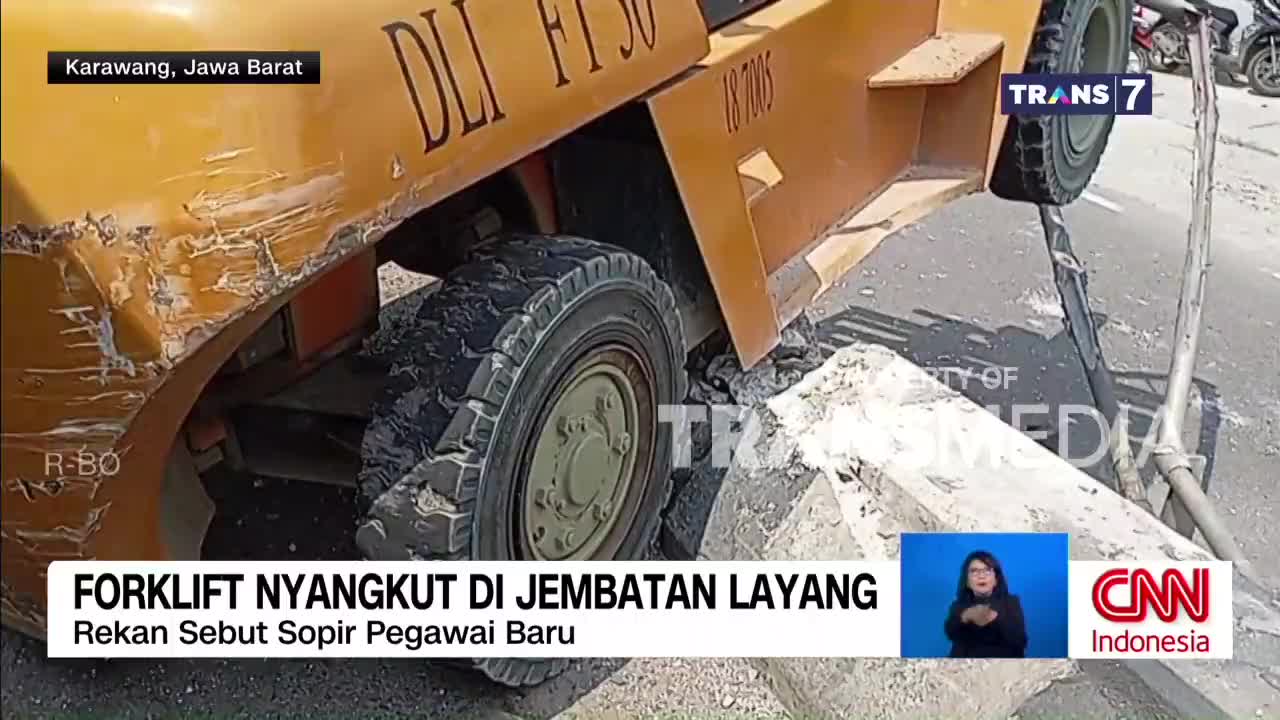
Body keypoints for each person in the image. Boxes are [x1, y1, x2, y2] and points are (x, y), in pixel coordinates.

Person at [943, 550, 1028, 658]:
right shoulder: (959, 606)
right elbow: (951, 632)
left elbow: (1020, 640)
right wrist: (965, 616)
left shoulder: (1011, 603)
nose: (981, 575)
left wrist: (996, 617)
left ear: (996, 579)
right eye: (974, 571)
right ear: (967, 581)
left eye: (987, 570)